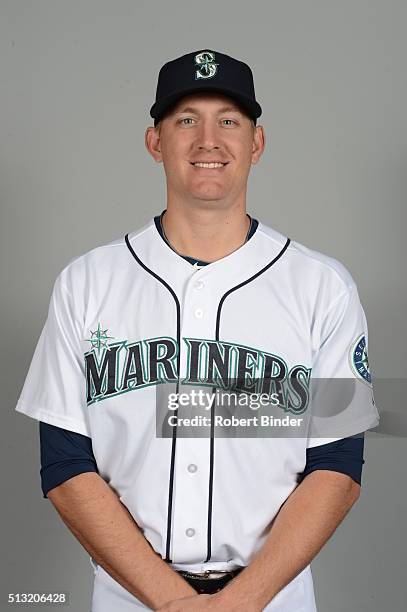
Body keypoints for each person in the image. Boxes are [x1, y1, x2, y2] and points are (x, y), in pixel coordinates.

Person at [15, 49, 380, 611]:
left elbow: (337, 467)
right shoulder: (86, 283)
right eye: (186, 119)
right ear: (154, 142)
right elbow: (65, 465)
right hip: (129, 597)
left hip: (272, 598)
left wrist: (241, 602)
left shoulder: (322, 286)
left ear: (256, 144)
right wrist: (172, 601)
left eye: (229, 121)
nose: (208, 140)